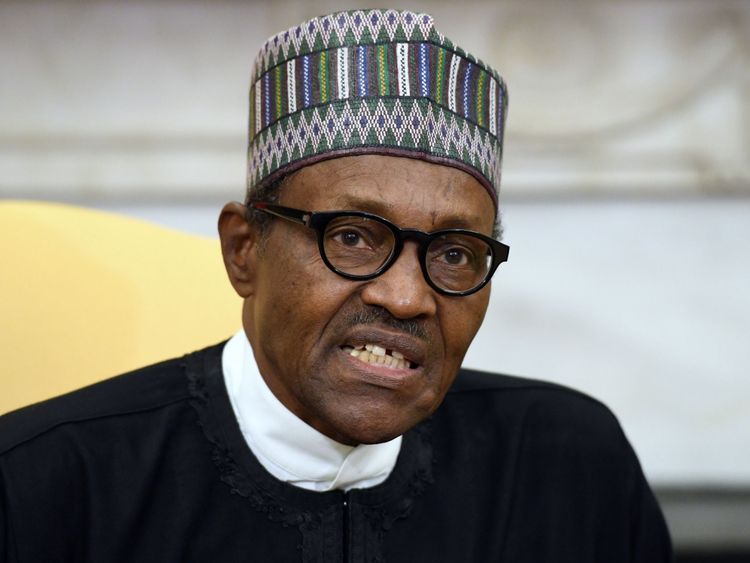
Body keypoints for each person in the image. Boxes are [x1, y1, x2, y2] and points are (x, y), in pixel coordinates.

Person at [0, 9, 671, 562]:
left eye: (456, 253)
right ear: (244, 250)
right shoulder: (44, 484)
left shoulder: (566, 465)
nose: (407, 297)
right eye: (352, 236)